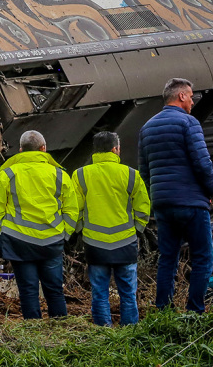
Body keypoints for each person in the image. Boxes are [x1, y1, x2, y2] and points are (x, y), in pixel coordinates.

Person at [139, 78, 213, 314]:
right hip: (191, 202)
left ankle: (163, 311)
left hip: (163, 204)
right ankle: (195, 312)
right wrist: (211, 190)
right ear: (181, 96)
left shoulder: (147, 128)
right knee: (203, 257)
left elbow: (144, 171)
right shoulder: (188, 123)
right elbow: (203, 164)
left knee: (167, 258)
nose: (193, 101)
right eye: (191, 96)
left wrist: (157, 195)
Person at [0, 130, 80, 320]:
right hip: (52, 241)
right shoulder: (59, 174)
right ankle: (61, 327)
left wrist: (1, 235)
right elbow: (72, 210)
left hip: (19, 242)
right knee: (54, 289)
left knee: (28, 290)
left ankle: (32, 330)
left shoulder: (7, 174)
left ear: (21, 150)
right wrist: (64, 234)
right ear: (43, 148)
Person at [75, 131, 149, 326]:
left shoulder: (81, 175)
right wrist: (137, 230)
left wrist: (81, 230)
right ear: (116, 149)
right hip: (125, 242)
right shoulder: (131, 174)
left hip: (94, 243)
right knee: (128, 294)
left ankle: (103, 334)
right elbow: (143, 208)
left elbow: (75, 209)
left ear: (95, 151)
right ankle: (130, 335)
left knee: (99, 293)